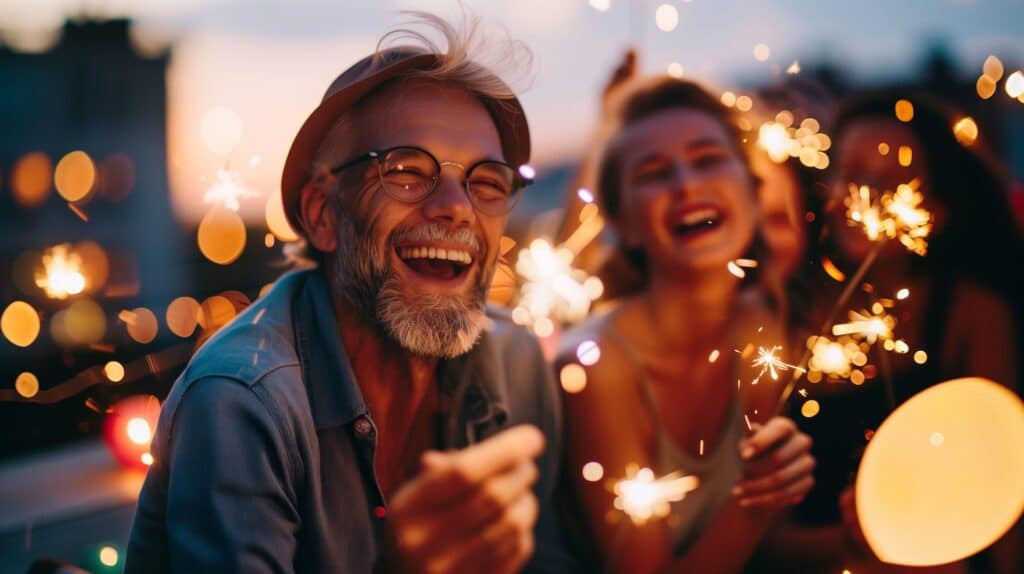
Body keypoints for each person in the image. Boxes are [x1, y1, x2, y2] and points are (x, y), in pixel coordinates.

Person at [125, 13, 574, 573]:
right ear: (322, 215)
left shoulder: (517, 361)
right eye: (407, 171)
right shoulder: (240, 403)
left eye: (486, 182)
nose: (457, 208)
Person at [555, 75, 816, 573]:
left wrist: (859, 543)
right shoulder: (596, 365)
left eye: (708, 159)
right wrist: (760, 501)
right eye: (654, 173)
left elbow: (765, 547)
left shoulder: (762, 326)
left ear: (753, 191)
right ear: (623, 223)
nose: (687, 185)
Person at [772, 90, 1023, 573]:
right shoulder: (788, 314)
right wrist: (856, 548)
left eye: (889, 180)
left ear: (938, 206)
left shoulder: (971, 314)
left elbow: (1008, 488)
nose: (861, 196)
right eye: (849, 173)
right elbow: (764, 542)